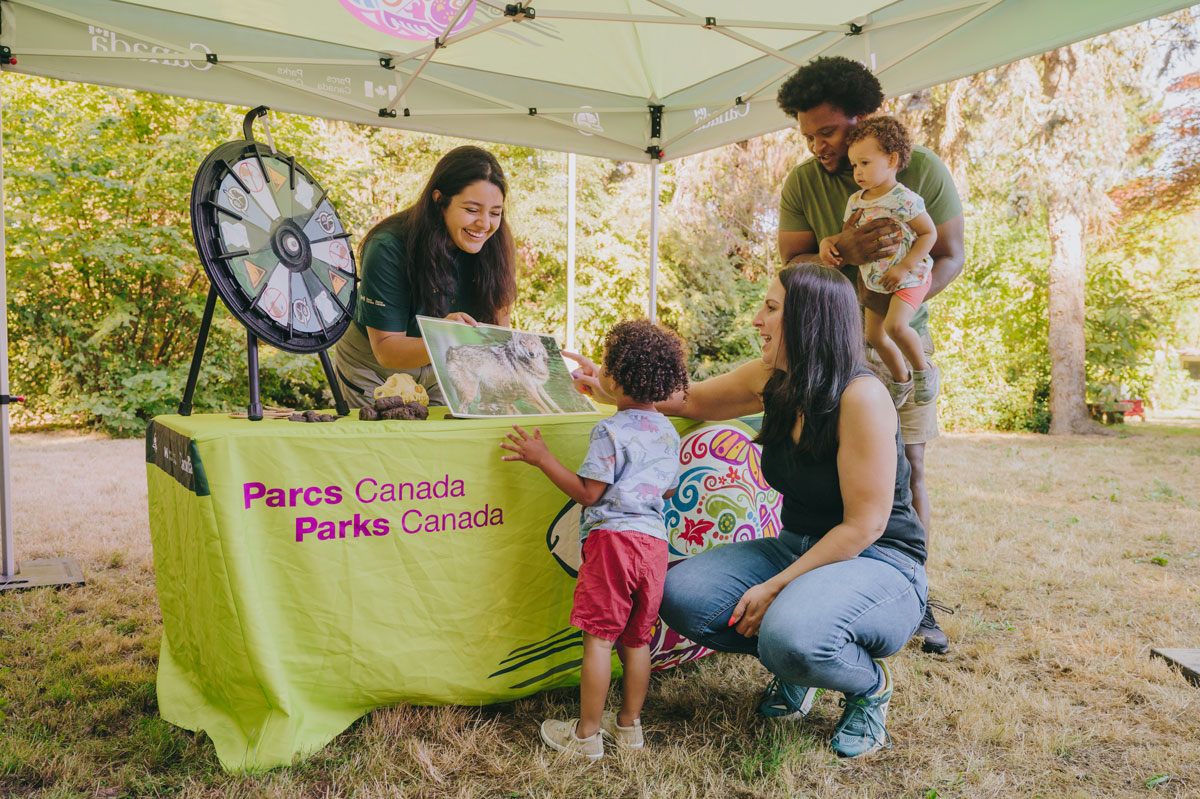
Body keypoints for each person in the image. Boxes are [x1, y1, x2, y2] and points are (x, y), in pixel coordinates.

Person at [569, 266, 928, 758]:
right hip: (796, 545)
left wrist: (775, 586)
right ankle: (798, 665)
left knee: (791, 634)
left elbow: (865, 525)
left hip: (879, 560)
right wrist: (612, 385)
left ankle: (866, 684)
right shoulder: (771, 378)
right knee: (679, 595)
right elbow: (688, 398)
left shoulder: (861, 396)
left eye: (772, 308)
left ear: (809, 321)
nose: (757, 319)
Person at [776, 55, 964, 654]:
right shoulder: (804, 182)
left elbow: (950, 252)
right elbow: (792, 264)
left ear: (864, 123)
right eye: (807, 135)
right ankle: (828, 583)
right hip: (825, 347)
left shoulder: (921, 170)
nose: (817, 147)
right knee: (831, 467)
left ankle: (915, 596)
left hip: (896, 336)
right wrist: (839, 250)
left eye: (827, 133)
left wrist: (890, 306)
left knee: (908, 465)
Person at [501, 320, 689, 761]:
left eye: (605, 365)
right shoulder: (667, 431)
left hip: (613, 545)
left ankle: (585, 736)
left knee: (600, 641)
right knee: (637, 640)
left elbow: (588, 493)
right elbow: (664, 490)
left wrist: (542, 458)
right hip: (654, 545)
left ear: (617, 377)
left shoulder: (610, 431)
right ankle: (628, 728)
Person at [333, 145, 516, 407]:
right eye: (472, 210)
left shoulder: (496, 246)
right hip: (375, 362)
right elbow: (386, 349)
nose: (485, 224)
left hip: (447, 357)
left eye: (495, 213)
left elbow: (499, 331)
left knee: (445, 440)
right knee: (383, 441)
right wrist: (445, 337)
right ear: (439, 200)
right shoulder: (388, 246)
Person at [820, 116, 939, 409]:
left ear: (891, 159)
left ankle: (925, 371)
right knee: (872, 334)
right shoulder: (856, 201)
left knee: (896, 327)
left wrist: (903, 267)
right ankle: (902, 379)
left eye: (865, 163)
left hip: (909, 276)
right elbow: (849, 235)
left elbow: (928, 234)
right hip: (876, 279)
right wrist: (828, 242)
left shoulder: (904, 200)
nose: (858, 172)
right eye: (854, 165)